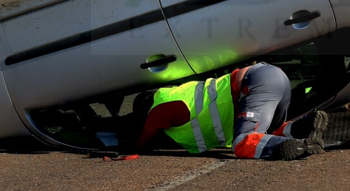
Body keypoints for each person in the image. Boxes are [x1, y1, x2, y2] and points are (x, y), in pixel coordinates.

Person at [128, 62, 328, 160]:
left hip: (256, 84)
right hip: (270, 76)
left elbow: (143, 141)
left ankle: (300, 145)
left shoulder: (159, 108)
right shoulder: (177, 93)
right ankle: (306, 125)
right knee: (266, 134)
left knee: (243, 143)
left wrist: (131, 149)